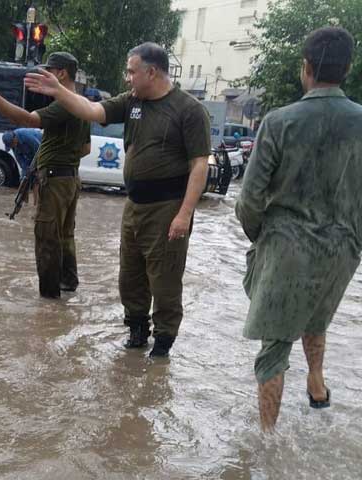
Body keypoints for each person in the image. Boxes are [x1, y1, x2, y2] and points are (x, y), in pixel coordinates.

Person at [24, 42, 210, 356]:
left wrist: (184, 214)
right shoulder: (132, 102)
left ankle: (163, 345)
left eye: (131, 71)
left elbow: (199, 164)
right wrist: (58, 90)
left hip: (168, 207)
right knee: (130, 275)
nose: (127, 78)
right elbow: (92, 110)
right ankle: (137, 330)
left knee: (164, 278)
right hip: (134, 205)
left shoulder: (188, 109)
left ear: (151, 72)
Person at [235, 27, 361, 432]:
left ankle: (266, 443)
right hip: (342, 250)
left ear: (305, 67)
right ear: (349, 67)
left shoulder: (279, 122)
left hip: (286, 248)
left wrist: (263, 238)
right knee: (315, 318)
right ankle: (317, 384)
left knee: (274, 346)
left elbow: (248, 201)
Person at [0, 52, 91, 299]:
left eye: (48, 71)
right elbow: (85, 148)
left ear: (61, 74)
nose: (43, 75)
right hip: (70, 178)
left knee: (47, 237)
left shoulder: (63, 104)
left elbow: (27, 119)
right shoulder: (80, 103)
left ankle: (49, 302)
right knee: (65, 233)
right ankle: (68, 283)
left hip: (55, 178)